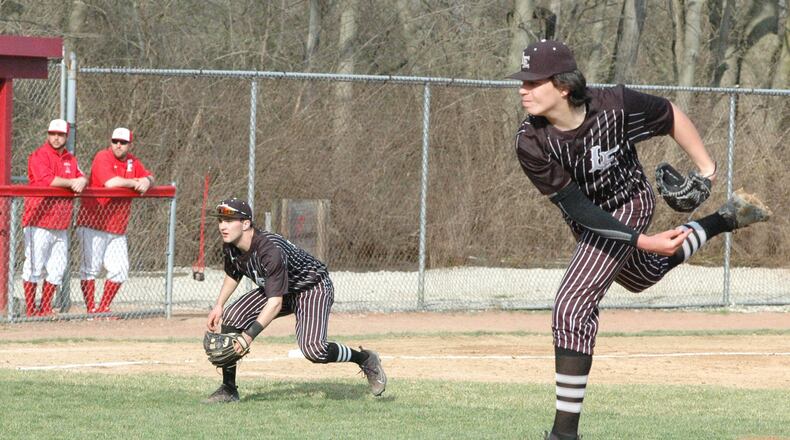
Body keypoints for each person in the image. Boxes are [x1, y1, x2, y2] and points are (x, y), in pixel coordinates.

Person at [508, 40, 771, 440]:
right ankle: (725, 219)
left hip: (630, 201)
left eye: (533, 81)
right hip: (590, 218)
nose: (523, 89)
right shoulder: (531, 142)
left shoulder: (614, 105)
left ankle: (563, 435)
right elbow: (577, 207)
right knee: (642, 276)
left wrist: (707, 170)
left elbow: (669, 115)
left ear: (562, 85)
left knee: (572, 304)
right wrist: (643, 243)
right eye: (522, 82)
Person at [203, 198, 387, 403]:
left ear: (245, 224)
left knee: (314, 350)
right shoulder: (231, 246)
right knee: (232, 315)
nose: (222, 226)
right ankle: (228, 389)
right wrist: (219, 305)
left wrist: (248, 336)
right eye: (220, 220)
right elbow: (233, 273)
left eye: (229, 220)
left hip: (312, 287)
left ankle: (365, 359)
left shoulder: (270, 251)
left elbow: (274, 304)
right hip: (283, 289)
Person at [76, 127, 154, 315]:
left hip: (117, 225)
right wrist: (135, 182)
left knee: (120, 269)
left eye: (123, 142)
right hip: (92, 221)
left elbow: (149, 175)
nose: (118, 145)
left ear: (129, 144)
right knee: (91, 268)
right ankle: (91, 310)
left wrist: (147, 181)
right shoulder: (102, 157)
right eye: (115, 141)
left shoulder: (132, 161)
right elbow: (110, 182)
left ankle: (103, 308)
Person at [22, 119, 88, 317]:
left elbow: (82, 177)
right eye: (53, 133)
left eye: (60, 134)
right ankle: (30, 309)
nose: (56, 138)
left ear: (66, 137)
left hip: (60, 223)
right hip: (38, 221)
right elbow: (47, 181)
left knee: (57, 268)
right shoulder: (39, 155)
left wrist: (82, 181)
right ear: (48, 134)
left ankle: (45, 308)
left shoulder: (70, 159)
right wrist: (72, 182)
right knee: (34, 266)